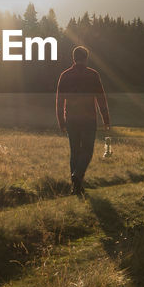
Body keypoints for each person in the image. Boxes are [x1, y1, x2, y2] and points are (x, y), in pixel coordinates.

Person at [55, 45, 111, 195]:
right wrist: (106, 119)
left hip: (72, 119)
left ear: (74, 58)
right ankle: (77, 176)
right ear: (86, 58)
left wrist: (61, 121)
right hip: (88, 119)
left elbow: (60, 101)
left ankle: (76, 187)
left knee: (75, 152)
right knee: (87, 150)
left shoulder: (65, 75)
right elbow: (101, 99)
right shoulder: (93, 75)